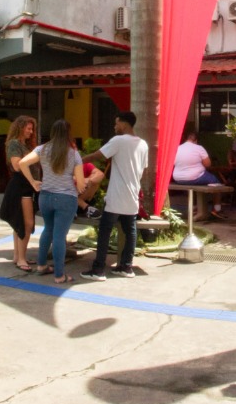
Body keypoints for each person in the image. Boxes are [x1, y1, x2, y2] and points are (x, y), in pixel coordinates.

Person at [83, 112, 149, 282]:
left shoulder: (118, 141)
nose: (114, 127)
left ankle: (98, 270)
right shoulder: (143, 144)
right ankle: (126, 266)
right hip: (132, 195)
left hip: (116, 196)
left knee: (104, 231)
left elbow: (98, 155)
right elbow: (144, 170)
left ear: (124, 124)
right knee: (130, 231)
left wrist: (78, 160)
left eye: (116, 123)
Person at [19, 120, 87, 284]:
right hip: (66, 199)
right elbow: (81, 182)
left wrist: (33, 182)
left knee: (48, 230)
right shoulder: (73, 153)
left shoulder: (42, 149)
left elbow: (22, 163)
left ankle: (42, 266)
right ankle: (59, 275)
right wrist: (80, 185)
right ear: (68, 133)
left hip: (45, 196)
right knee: (59, 235)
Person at [0, 116, 39, 272]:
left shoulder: (24, 145)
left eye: (31, 129)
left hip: (24, 187)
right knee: (26, 224)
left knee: (19, 223)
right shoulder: (15, 144)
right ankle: (22, 258)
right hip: (21, 187)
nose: (30, 131)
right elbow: (17, 166)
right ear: (20, 128)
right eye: (28, 128)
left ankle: (18, 256)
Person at [172, 123, 223, 216]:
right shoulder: (199, 148)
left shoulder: (177, 148)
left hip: (178, 178)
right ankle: (217, 209)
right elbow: (208, 164)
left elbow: (173, 163)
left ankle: (194, 207)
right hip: (195, 177)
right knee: (217, 183)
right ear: (195, 140)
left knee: (194, 185)